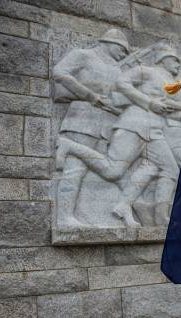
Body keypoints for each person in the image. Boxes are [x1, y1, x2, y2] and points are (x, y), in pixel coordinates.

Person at [56, 44, 181, 227]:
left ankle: (155, 215)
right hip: (133, 124)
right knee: (112, 170)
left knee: (170, 169)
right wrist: (148, 102)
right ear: (162, 59)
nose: (178, 65)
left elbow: (164, 103)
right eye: (174, 60)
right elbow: (122, 83)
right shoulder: (143, 70)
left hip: (153, 131)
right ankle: (68, 146)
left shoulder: (167, 82)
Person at [53, 28, 130, 227]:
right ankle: (65, 217)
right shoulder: (83, 55)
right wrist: (89, 95)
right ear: (110, 42)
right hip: (82, 118)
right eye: (123, 49)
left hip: (106, 125)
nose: (124, 54)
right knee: (74, 170)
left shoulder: (118, 69)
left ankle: (115, 214)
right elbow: (59, 73)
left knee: (108, 172)